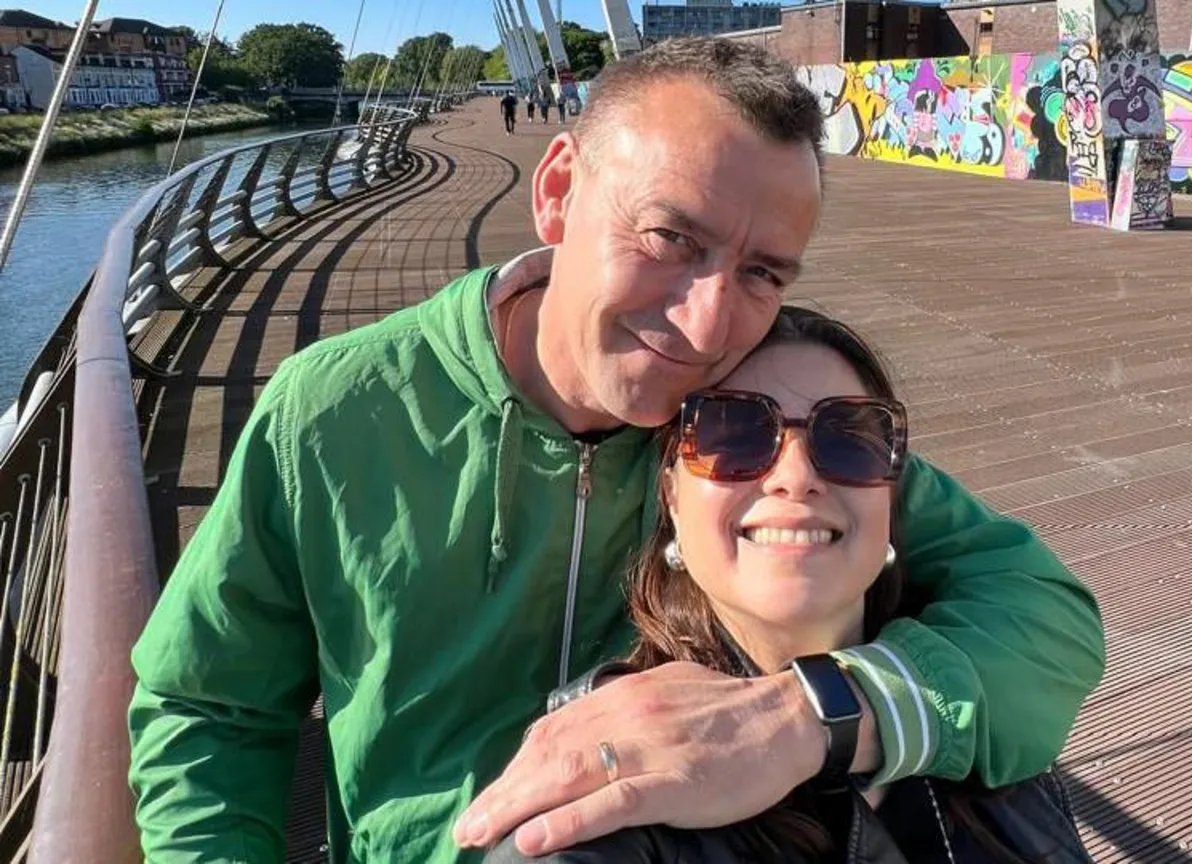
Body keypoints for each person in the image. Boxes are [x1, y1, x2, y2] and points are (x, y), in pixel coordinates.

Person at [127, 38, 1104, 863]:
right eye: (671, 238)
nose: (711, 320)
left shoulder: (741, 425)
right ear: (557, 192)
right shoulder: (335, 412)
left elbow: (1041, 612)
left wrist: (815, 715)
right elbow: (209, 711)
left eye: (762, 271)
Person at [488, 307, 1095, 864]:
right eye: (734, 433)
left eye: (849, 438)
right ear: (671, 494)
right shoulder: (606, 795)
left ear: (893, 495)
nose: (796, 476)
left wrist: (809, 719)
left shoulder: (983, 688)